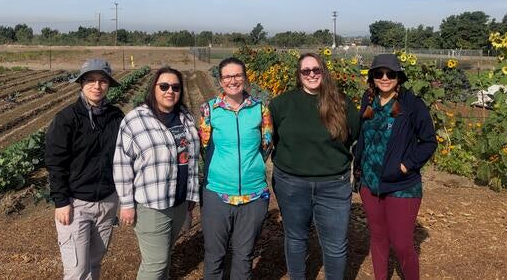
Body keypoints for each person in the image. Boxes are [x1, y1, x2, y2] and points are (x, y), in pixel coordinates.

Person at [269, 52, 360, 280]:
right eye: (305, 71)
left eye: (316, 70)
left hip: (333, 185)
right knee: (296, 238)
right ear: (298, 75)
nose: (311, 74)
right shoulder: (281, 104)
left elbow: (355, 135)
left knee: (335, 244)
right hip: (291, 183)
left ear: (323, 72)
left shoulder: (342, 103)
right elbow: (276, 138)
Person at [353, 54, 436, 280]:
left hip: (402, 185)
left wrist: (406, 165)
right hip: (370, 183)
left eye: (391, 73)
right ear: (372, 77)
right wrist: (357, 165)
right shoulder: (368, 99)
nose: (385, 78)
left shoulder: (411, 104)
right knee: (378, 238)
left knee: (402, 244)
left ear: (398, 77)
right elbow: (362, 135)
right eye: (379, 73)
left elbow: (429, 141)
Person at [113, 67, 200, 280]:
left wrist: (191, 194)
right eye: (164, 86)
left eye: (176, 87)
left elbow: (192, 159)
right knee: (156, 263)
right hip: (151, 204)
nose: (170, 91)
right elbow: (122, 163)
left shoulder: (185, 117)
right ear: (153, 88)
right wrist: (126, 203)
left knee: (164, 258)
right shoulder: (136, 120)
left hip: (179, 202)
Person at [45, 58, 124, 280]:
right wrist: (61, 201)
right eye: (90, 80)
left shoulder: (116, 116)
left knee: (94, 263)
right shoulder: (67, 118)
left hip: (107, 201)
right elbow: (55, 162)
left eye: (102, 81)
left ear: (109, 85)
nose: (96, 86)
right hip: (76, 203)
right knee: (77, 270)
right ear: (81, 83)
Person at [198, 57, 273, 280]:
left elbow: (266, 146)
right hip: (217, 194)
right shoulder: (209, 110)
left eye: (238, 75)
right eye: (227, 76)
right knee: (214, 257)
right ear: (220, 81)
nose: (233, 80)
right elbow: (204, 147)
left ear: (245, 78)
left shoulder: (261, 109)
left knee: (244, 256)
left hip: (253, 195)